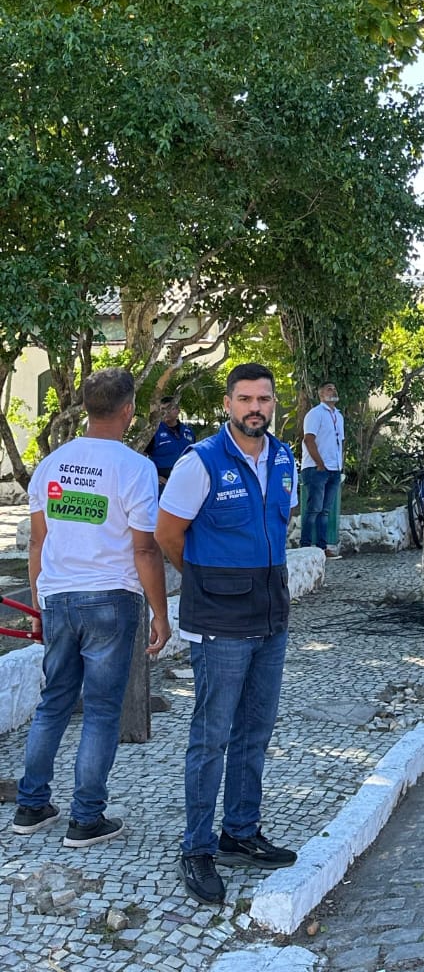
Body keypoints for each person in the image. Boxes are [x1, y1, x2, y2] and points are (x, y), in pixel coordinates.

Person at [155, 363, 298, 906]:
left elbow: (279, 525)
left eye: (263, 398)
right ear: (227, 403)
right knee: (211, 736)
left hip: (270, 613)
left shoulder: (285, 457)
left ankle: (239, 831)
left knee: (255, 730)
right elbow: (169, 533)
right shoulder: (201, 462)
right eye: (245, 398)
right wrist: (204, 580)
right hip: (219, 621)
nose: (254, 407)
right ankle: (197, 847)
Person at [11, 368, 170, 847]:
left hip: (59, 596)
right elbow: (145, 550)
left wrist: (40, 596)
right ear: (127, 411)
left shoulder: (52, 464)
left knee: (53, 701)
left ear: (85, 408)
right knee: (101, 710)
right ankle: (85, 818)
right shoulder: (135, 468)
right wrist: (160, 613)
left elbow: (39, 540)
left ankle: (31, 805)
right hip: (111, 599)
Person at [299, 382, 345, 557]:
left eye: (334, 388)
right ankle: (305, 546)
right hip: (316, 468)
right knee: (314, 510)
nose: (333, 390)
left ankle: (321, 547)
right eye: (328, 389)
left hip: (334, 469)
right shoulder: (315, 414)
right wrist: (320, 464)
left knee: (325, 511)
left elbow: (340, 441)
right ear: (320, 394)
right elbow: (308, 439)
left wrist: (339, 465)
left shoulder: (338, 416)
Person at [145, 396, 196, 489]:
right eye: (163, 409)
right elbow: (140, 457)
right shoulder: (154, 432)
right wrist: (154, 476)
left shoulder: (188, 432)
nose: (166, 412)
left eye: (170, 408)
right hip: (163, 485)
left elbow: (194, 455)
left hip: (186, 482)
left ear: (178, 410)